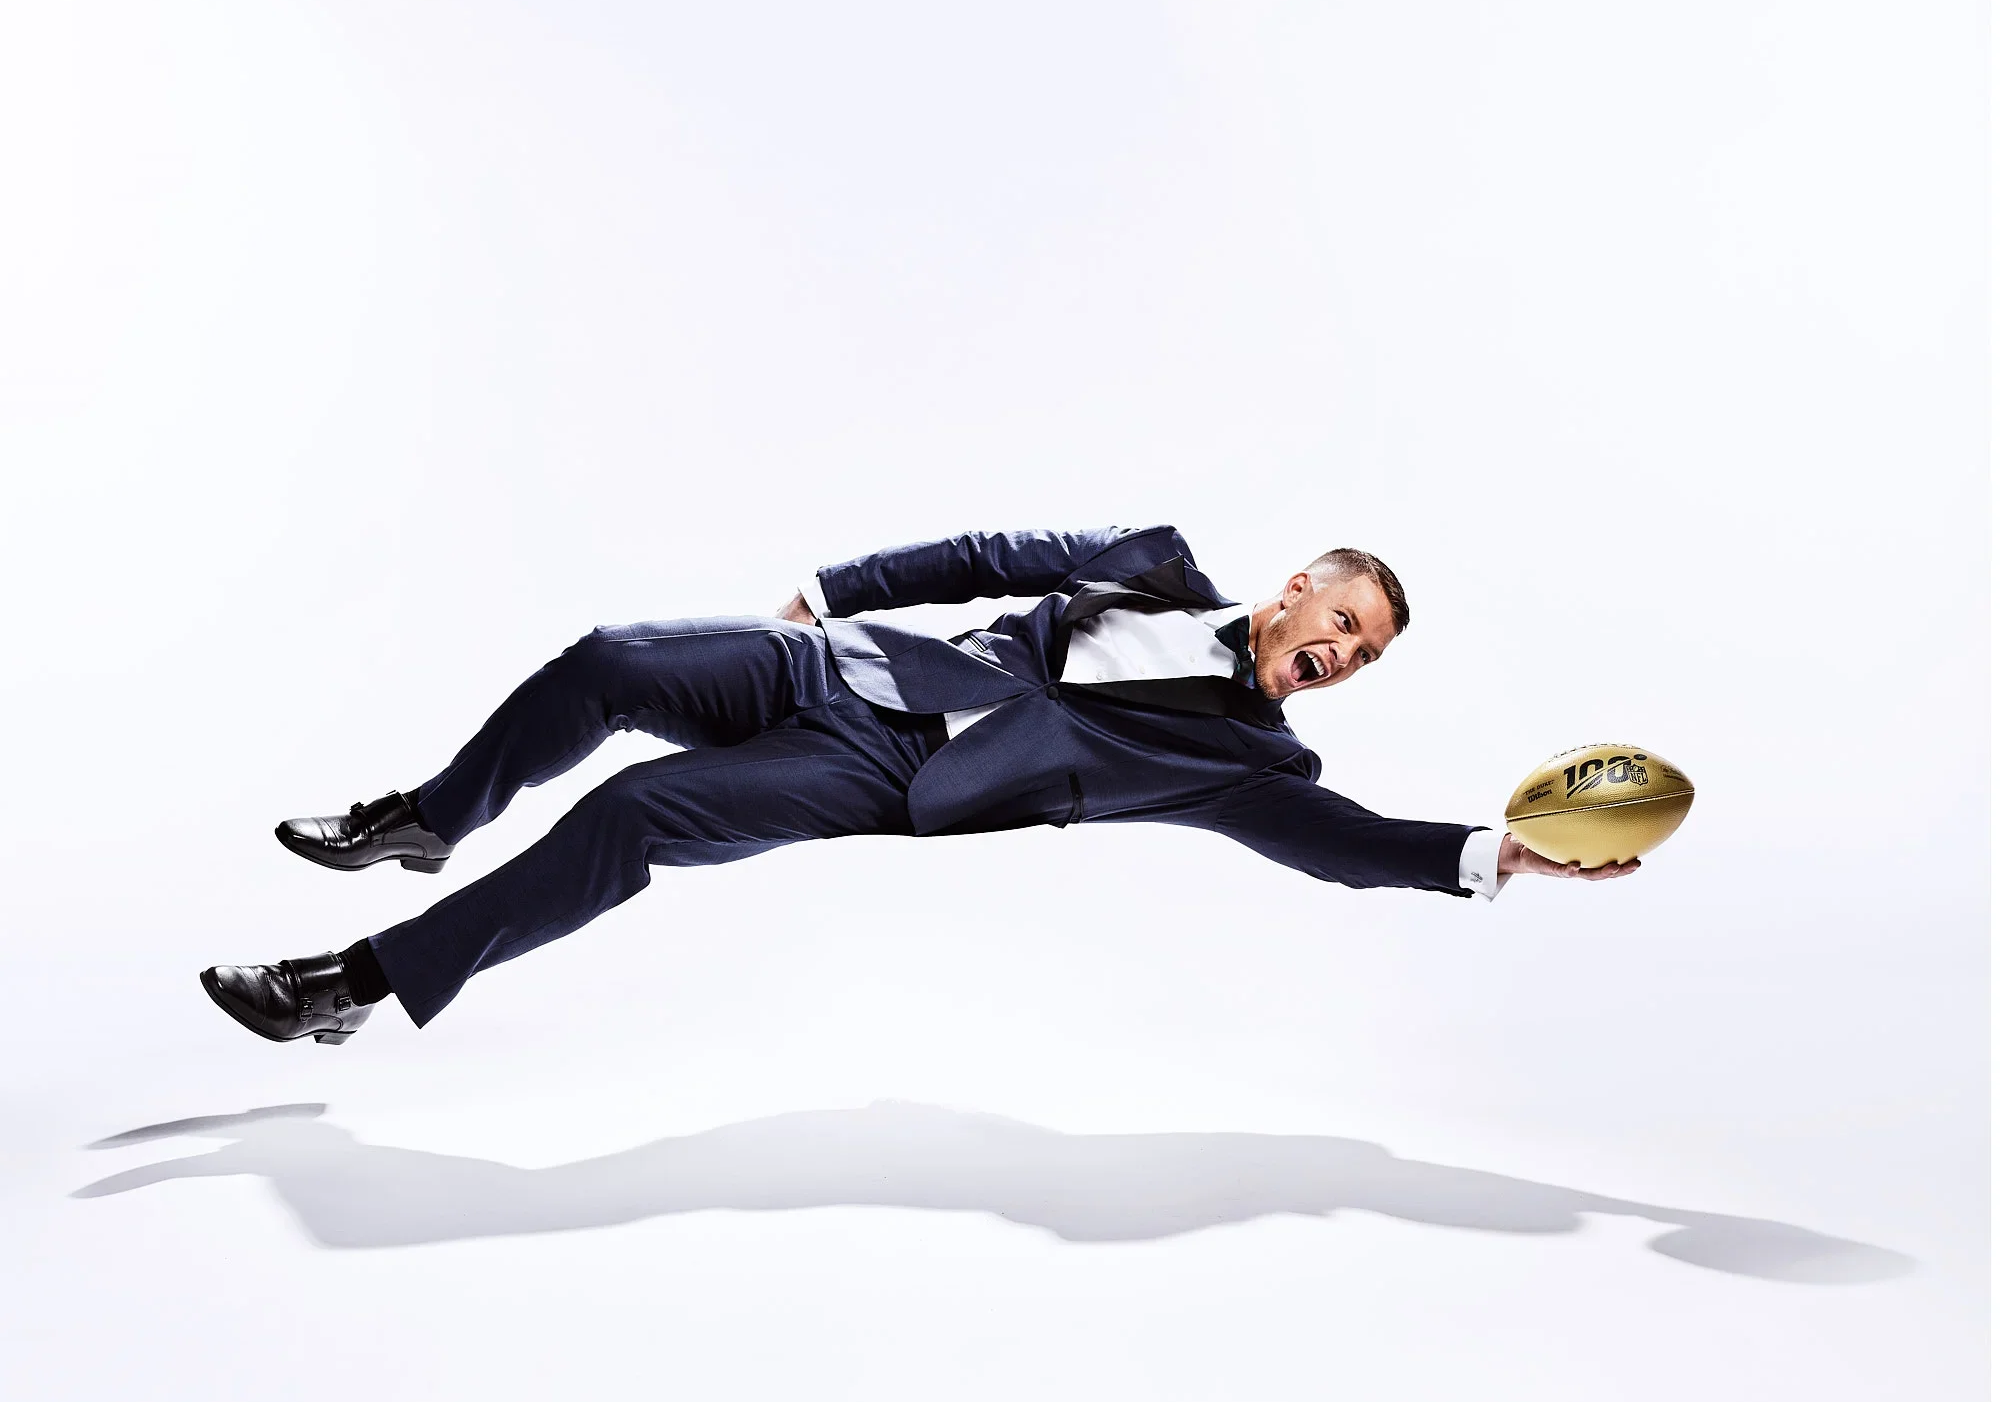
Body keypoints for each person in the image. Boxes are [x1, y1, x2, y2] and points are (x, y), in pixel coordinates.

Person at [200, 525, 1636, 1046]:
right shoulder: (1152, 560)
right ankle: (429, 821)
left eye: (1365, 658)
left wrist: (1494, 854)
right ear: (1297, 587)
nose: (1342, 656)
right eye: (1345, 623)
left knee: (634, 816)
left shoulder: (1249, 762)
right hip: (847, 664)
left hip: (886, 770)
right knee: (610, 661)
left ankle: (354, 983)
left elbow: (1345, 841)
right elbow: (986, 554)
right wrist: (833, 591)